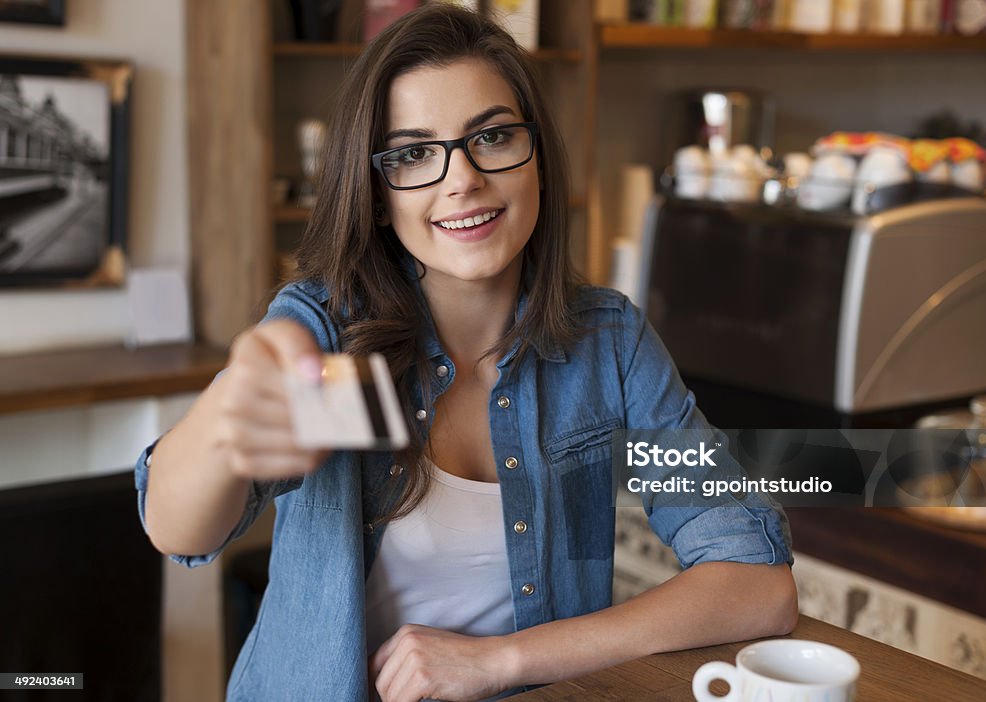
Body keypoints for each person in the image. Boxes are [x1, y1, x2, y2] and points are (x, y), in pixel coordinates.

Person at [135, 5, 797, 701]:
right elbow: (177, 530)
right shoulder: (332, 335)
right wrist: (230, 410)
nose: (462, 180)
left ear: (536, 157)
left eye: (493, 136)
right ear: (379, 192)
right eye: (415, 152)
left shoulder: (609, 345)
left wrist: (502, 660)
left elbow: (758, 584)